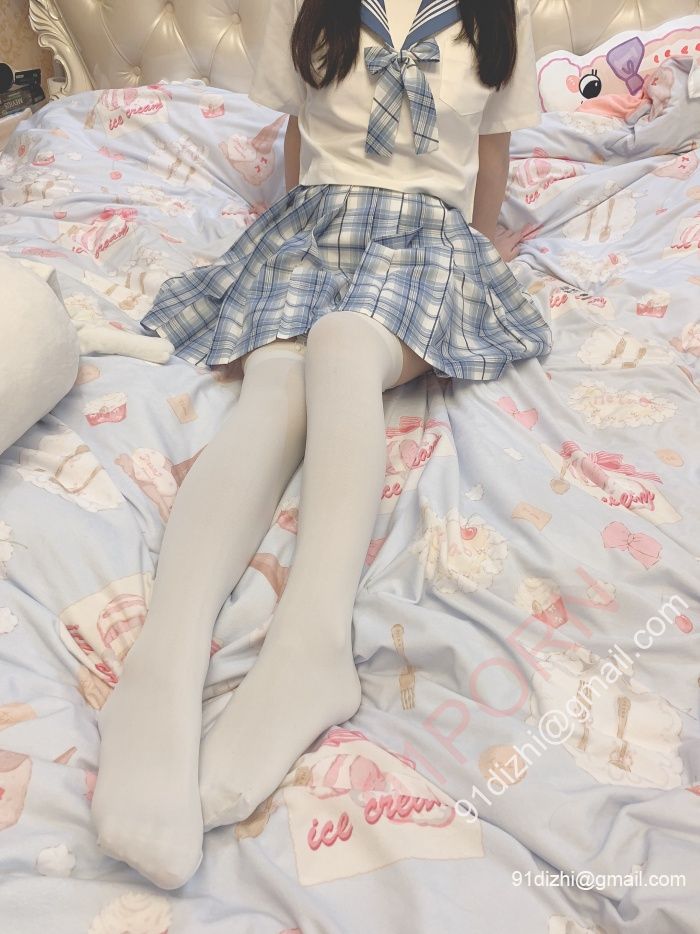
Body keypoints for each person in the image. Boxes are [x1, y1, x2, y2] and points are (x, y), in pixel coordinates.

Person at [90, 0, 553, 890]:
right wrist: (301, 228)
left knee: (344, 342)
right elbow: (302, 138)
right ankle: (163, 660)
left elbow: (491, 154)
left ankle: (311, 641)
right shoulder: (306, 6)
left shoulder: (501, 14)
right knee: (274, 386)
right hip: (318, 225)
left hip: (431, 239)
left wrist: (481, 260)